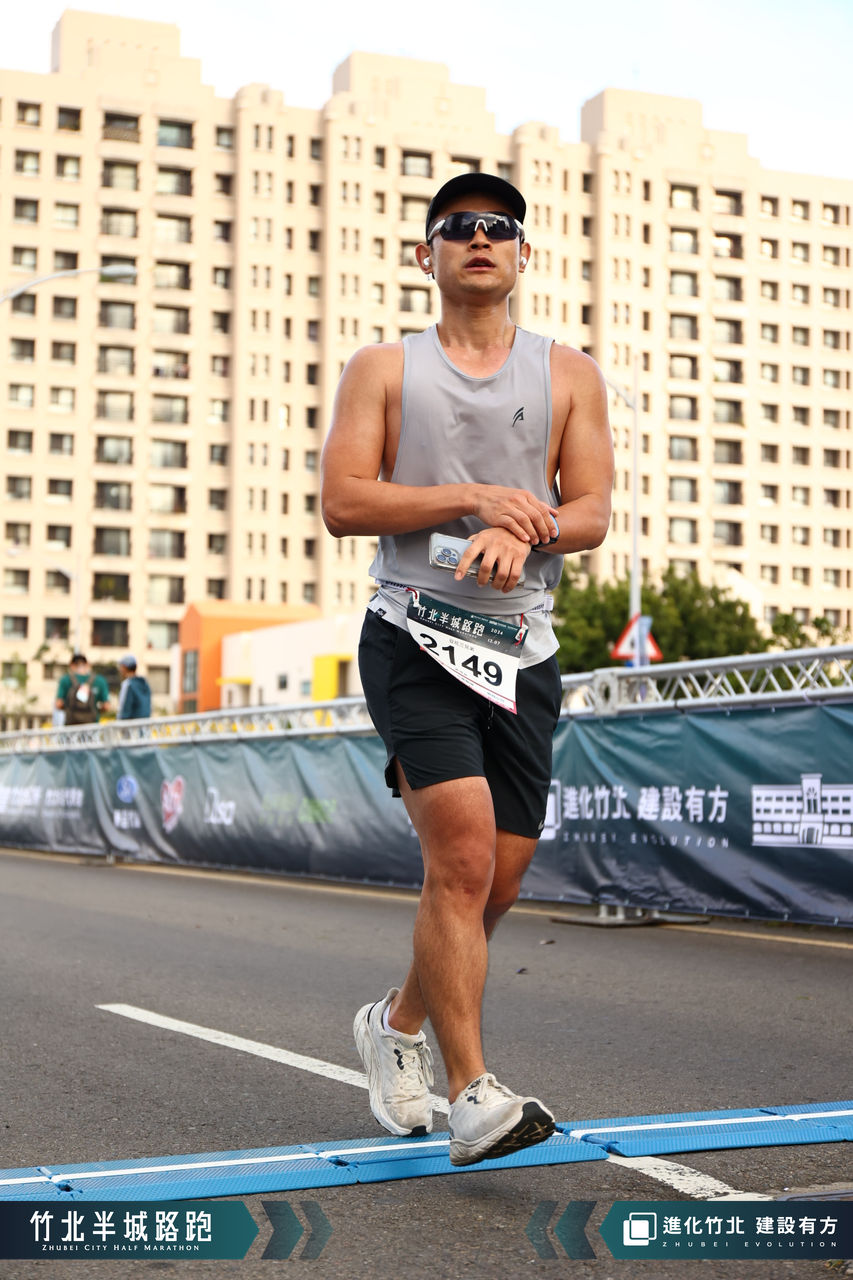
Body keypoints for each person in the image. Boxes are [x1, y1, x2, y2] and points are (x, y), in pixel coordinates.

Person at [321, 172, 613, 1166]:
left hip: (522, 648)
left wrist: (527, 530)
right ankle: (472, 1094)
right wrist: (473, 499)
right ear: (427, 254)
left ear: (523, 253)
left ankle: (394, 1022)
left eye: (497, 226)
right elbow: (345, 500)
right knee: (459, 859)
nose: (478, 238)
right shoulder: (383, 368)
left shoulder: (569, 373)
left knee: (499, 878)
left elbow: (590, 510)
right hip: (414, 635)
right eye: (457, 227)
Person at [55, 653, 110, 726]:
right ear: (87, 664)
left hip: (71, 726)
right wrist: (95, 709)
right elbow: (106, 706)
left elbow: (58, 704)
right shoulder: (100, 680)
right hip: (92, 726)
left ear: (71, 665)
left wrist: (70, 708)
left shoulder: (65, 680)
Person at [116, 654, 152, 721]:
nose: (120, 669)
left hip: (130, 724)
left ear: (125, 667)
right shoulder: (144, 683)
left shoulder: (127, 684)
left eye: (121, 666)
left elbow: (123, 708)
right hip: (144, 723)